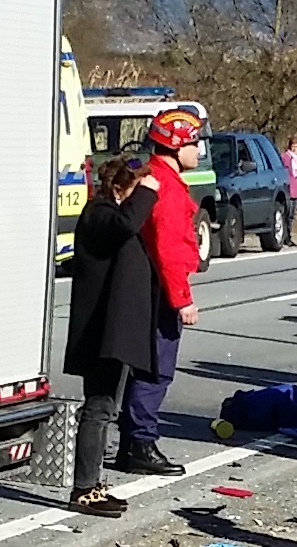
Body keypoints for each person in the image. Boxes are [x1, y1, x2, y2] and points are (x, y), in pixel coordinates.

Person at [61, 105, 202, 498]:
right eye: (193, 143)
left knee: (113, 397)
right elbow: (167, 249)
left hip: (126, 311)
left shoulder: (153, 190)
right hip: (122, 316)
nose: (199, 150)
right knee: (130, 387)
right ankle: (128, 451)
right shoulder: (135, 201)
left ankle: (119, 456)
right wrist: (181, 299)